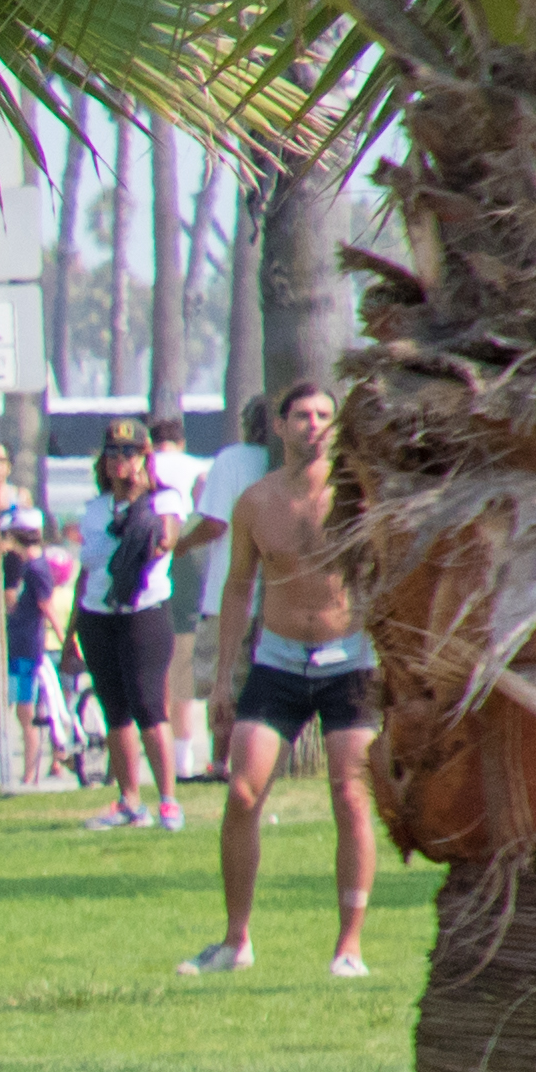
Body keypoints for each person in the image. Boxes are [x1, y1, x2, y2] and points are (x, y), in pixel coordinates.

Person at [191, 379, 378, 979]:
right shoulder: (256, 501)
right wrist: (223, 677)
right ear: (279, 425)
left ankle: (348, 947)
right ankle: (234, 941)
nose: (314, 425)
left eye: (325, 414)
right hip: (276, 658)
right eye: (301, 415)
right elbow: (239, 585)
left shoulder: (360, 496)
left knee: (350, 797)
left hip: (348, 659)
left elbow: (390, 571)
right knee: (243, 793)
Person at [70, 426, 183, 829]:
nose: (122, 460)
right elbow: (86, 574)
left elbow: (166, 539)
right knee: (114, 710)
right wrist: (70, 634)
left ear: (145, 456)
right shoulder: (96, 508)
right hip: (97, 614)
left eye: (131, 452)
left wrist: (141, 505)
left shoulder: (162, 498)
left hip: (143, 612)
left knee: (149, 706)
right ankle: (129, 800)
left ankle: (168, 799)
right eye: (114, 452)